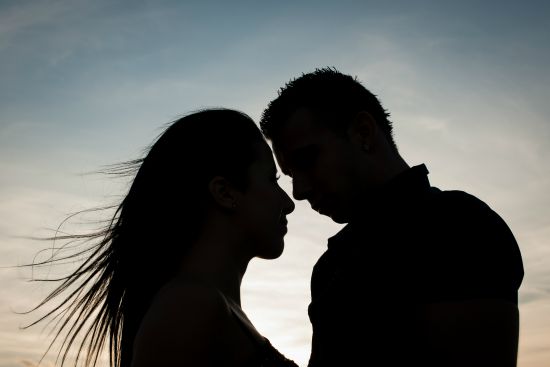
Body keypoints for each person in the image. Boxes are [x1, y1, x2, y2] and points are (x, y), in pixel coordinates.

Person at [259, 68, 524, 367]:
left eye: (307, 161)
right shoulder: (330, 265)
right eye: (290, 175)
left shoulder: (459, 225)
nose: (298, 192)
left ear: (362, 132)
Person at [24, 109, 298, 367]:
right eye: (272, 180)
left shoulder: (207, 307)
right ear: (225, 193)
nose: (288, 203)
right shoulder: (191, 307)